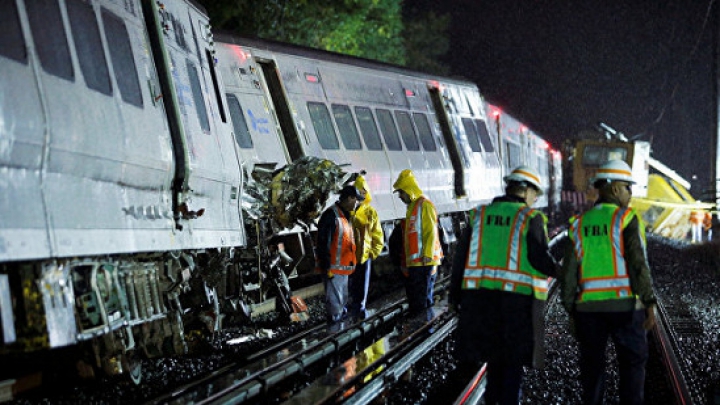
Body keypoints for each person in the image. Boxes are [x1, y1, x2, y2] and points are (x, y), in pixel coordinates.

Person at [449, 165, 558, 405]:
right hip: (516, 309)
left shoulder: (480, 215)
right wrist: (566, 269)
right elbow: (541, 259)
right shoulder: (530, 218)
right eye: (535, 193)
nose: (536, 198)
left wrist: (454, 296)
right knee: (511, 370)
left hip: (480, 305)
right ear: (525, 190)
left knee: (493, 366)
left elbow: (461, 258)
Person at [560, 159, 657, 405]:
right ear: (614, 189)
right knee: (632, 367)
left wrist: (570, 308)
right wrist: (648, 301)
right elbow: (638, 265)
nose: (630, 194)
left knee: (592, 371)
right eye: (627, 187)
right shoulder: (626, 219)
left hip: (589, 312)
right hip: (625, 308)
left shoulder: (579, 224)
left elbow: (569, 271)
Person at [392, 169, 443, 323]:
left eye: (401, 192)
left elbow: (430, 232)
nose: (400, 196)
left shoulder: (424, 205)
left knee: (422, 300)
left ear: (409, 190)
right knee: (418, 300)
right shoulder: (412, 207)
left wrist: (427, 255)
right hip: (417, 263)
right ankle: (422, 329)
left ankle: (425, 329)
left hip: (425, 262)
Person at [315, 185, 364, 329]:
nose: (357, 203)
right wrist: (327, 266)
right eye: (356, 200)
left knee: (341, 303)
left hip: (342, 270)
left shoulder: (344, 216)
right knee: (335, 305)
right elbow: (324, 243)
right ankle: (334, 334)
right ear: (349, 198)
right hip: (333, 270)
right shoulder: (331, 216)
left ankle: (340, 331)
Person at [349, 175, 384, 321]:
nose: (361, 195)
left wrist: (373, 253)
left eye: (364, 191)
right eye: (359, 192)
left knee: (361, 287)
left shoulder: (370, 212)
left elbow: (377, 235)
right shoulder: (348, 211)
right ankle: (351, 311)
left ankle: (359, 311)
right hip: (349, 257)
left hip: (363, 256)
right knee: (350, 286)